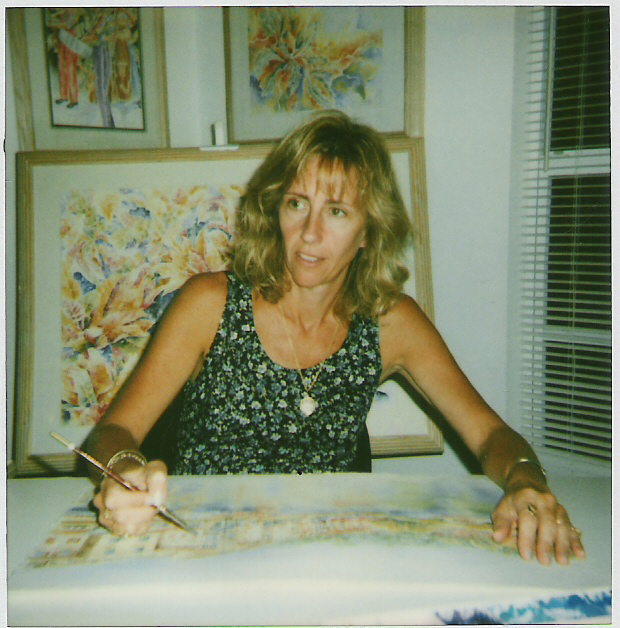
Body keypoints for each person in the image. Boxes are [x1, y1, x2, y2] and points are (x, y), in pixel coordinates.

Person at [87, 111, 585, 565]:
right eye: (297, 204)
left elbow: (493, 436)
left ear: (369, 230)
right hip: (199, 550)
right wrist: (125, 470)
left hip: (325, 559)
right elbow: (113, 433)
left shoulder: (392, 322)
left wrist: (526, 482)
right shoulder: (209, 304)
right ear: (275, 211)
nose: (309, 233)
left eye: (338, 212)